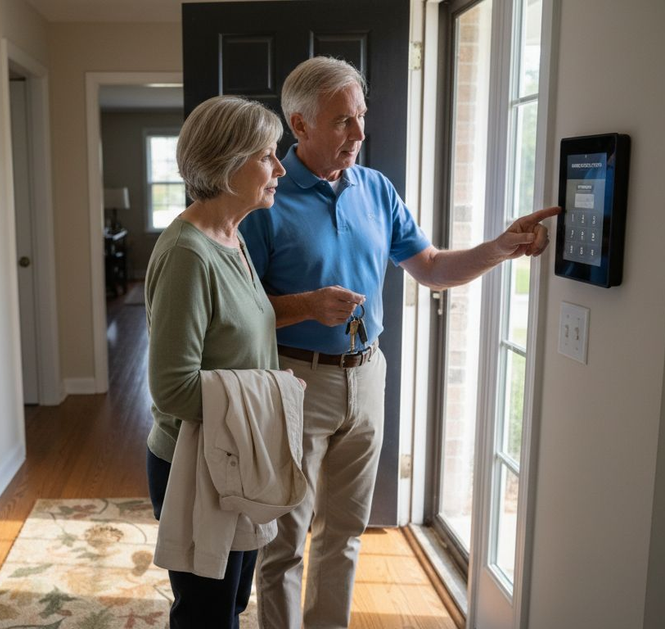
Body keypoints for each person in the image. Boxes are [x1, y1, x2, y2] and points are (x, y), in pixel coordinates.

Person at [239, 57, 559, 628]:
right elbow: (241, 311)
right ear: (300, 124)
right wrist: (309, 306)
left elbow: (432, 267)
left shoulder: (376, 188)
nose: (359, 135)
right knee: (285, 538)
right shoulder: (265, 199)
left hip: (368, 375)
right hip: (292, 381)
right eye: (343, 121)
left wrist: (501, 247)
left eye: (361, 118)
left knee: (345, 533)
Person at [144, 95, 286, 629]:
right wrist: (269, 398)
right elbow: (172, 389)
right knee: (205, 616)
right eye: (267, 155)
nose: (279, 168)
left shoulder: (233, 237)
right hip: (195, 465)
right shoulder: (188, 253)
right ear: (226, 164)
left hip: (233, 455)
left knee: (230, 605)